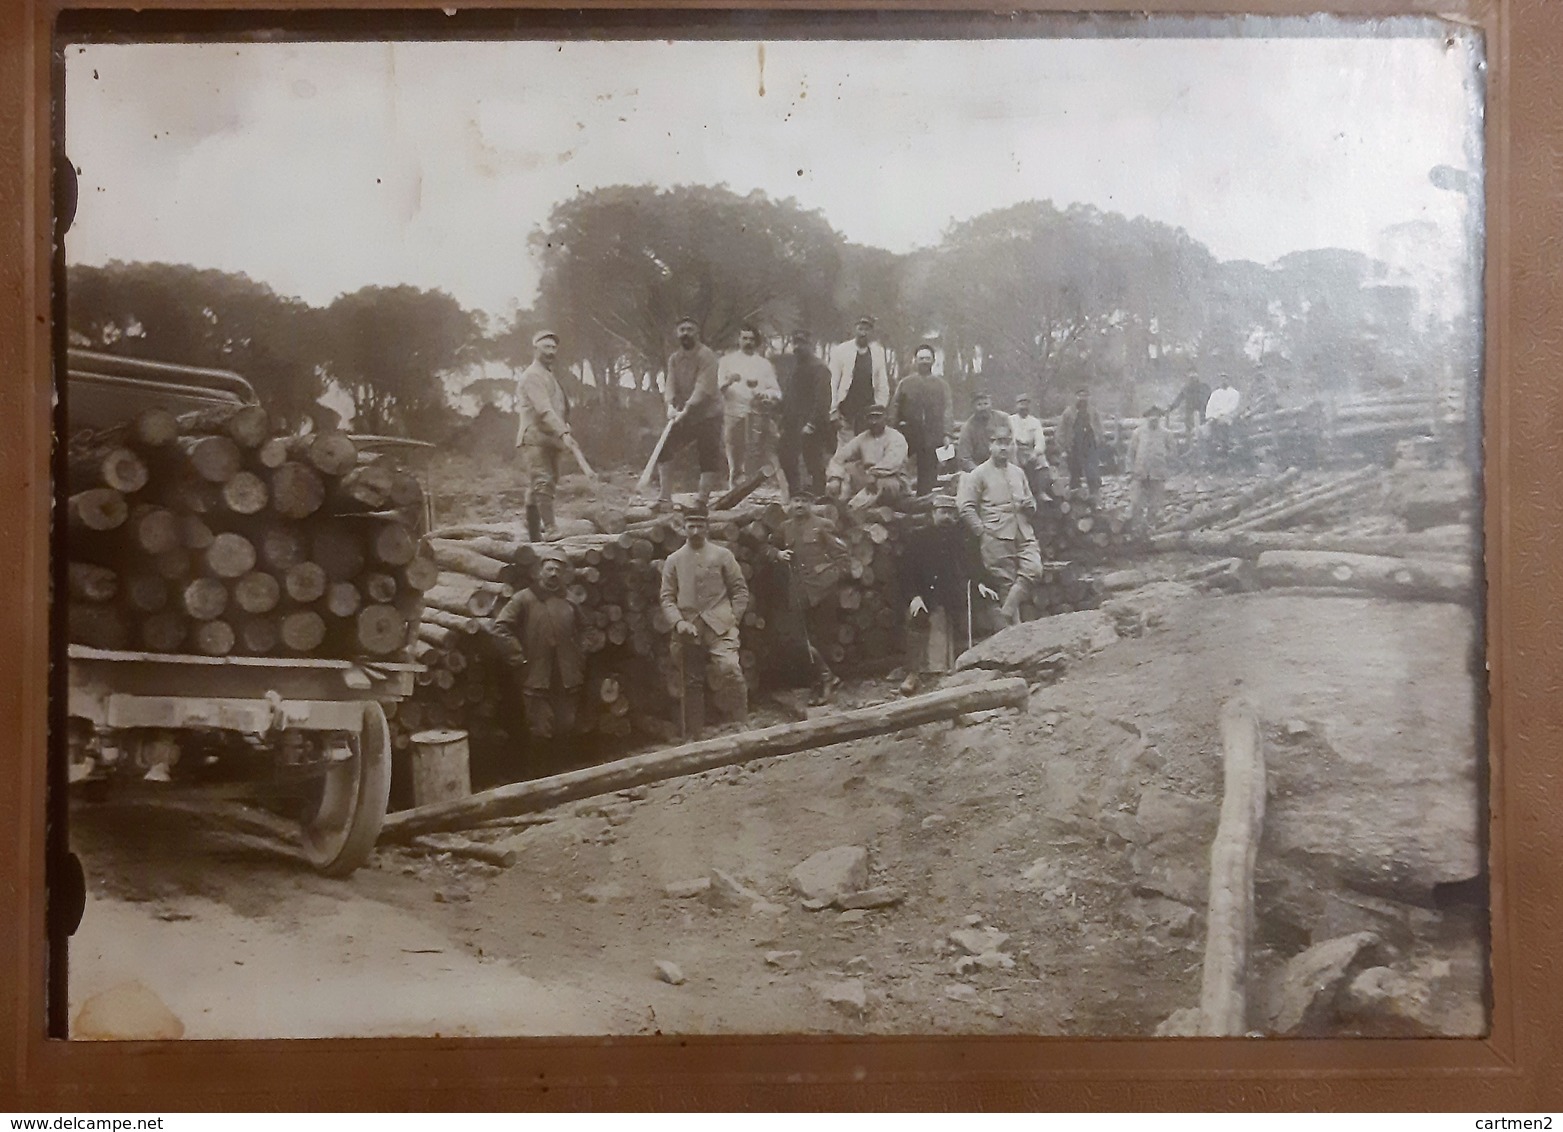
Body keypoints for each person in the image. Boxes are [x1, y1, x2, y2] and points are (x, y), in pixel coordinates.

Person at [660, 502, 750, 739]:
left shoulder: (723, 555)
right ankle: (694, 734)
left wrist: (733, 619)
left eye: (700, 525)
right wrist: (679, 623)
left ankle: (741, 724)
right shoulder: (674, 560)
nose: (696, 531)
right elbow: (667, 597)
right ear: (684, 528)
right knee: (691, 681)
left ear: (708, 527)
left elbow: (740, 591)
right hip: (689, 628)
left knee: (730, 668)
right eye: (691, 526)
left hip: (721, 626)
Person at [488, 546, 583, 742]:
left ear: (564, 574)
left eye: (558, 570)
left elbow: (586, 630)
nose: (554, 574)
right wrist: (518, 657)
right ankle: (542, 771)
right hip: (536, 674)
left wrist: (580, 656)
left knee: (566, 725)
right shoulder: (524, 598)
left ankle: (566, 770)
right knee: (540, 729)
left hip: (566, 676)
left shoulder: (570, 600)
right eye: (549, 569)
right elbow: (500, 628)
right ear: (540, 571)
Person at [957, 421, 1045, 626]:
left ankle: (1005, 614)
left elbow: (1031, 501)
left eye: (1007, 443)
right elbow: (965, 507)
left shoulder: (1018, 472)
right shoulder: (978, 474)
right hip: (995, 535)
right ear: (990, 445)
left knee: (1034, 568)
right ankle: (1012, 638)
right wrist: (982, 532)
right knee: (1005, 583)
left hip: (1023, 531)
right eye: (999, 443)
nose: (1004, 447)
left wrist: (1029, 505)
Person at [896, 492, 982, 696]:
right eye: (943, 512)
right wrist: (914, 596)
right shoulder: (918, 537)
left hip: (951, 595)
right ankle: (913, 673)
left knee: (963, 621)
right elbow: (906, 571)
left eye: (951, 514)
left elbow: (972, 566)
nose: (947, 518)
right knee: (918, 618)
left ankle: (953, 671)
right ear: (933, 513)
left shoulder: (959, 539)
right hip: (925, 595)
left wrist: (978, 584)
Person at [774, 493, 848, 704]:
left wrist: (828, 578)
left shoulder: (823, 525)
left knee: (821, 638)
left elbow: (842, 557)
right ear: (790, 504)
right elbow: (767, 547)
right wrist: (778, 555)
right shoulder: (784, 528)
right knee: (798, 639)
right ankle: (826, 677)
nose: (799, 505)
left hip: (823, 592)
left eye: (804, 501)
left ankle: (823, 684)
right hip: (798, 591)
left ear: (811, 504)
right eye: (796, 501)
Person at [656, 316, 724, 508]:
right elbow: (670, 384)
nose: (685, 333)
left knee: (708, 455)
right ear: (677, 334)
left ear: (697, 333)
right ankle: (664, 498)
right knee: (665, 448)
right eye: (682, 330)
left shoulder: (706, 355)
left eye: (690, 330)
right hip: (684, 413)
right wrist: (669, 404)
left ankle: (702, 499)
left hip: (708, 414)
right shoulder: (674, 359)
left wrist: (686, 408)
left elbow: (704, 387)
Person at [514, 330, 573, 541]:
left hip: (551, 439)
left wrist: (565, 426)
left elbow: (559, 407)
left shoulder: (550, 376)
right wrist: (563, 432)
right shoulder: (532, 376)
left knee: (539, 487)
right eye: (546, 347)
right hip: (534, 438)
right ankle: (551, 529)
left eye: (553, 348)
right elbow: (544, 409)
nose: (551, 352)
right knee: (543, 483)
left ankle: (533, 537)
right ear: (535, 349)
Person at [718, 324, 787, 500]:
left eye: (751, 339)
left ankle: (754, 493)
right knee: (734, 454)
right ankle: (733, 495)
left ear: (756, 341)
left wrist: (766, 395)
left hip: (758, 414)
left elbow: (776, 391)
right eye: (744, 338)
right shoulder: (727, 361)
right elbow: (717, 389)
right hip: (734, 413)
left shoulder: (764, 364)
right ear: (738, 339)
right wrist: (728, 381)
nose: (748, 342)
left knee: (757, 454)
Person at [774, 328, 833, 493]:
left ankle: (819, 496)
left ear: (811, 344)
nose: (798, 347)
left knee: (813, 463)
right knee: (786, 458)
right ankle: (795, 494)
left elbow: (823, 400)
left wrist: (812, 424)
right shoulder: (795, 367)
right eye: (795, 343)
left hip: (811, 425)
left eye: (802, 343)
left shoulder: (820, 368)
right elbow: (789, 397)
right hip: (792, 423)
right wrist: (777, 409)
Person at [888, 343, 952, 494]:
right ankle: (901, 497)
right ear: (915, 361)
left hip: (932, 435)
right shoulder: (905, 383)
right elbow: (894, 407)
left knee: (929, 472)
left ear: (933, 360)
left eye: (927, 358)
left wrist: (947, 434)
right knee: (900, 467)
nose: (924, 361)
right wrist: (892, 431)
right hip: (907, 434)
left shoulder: (942, 385)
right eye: (921, 358)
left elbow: (948, 410)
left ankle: (924, 502)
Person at [826, 403, 911, 509]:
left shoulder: (896, 438)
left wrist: (873, 474)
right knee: (846, 470)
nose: (874, 422)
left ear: (886, 418)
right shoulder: (863, 438)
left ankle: (853, 507)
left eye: (878, 417)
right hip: (868, 477)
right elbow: (839, 458)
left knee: (881, 483)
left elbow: (892, 463)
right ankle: (841, 503)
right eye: (870, 418)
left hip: (893, 479)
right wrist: (835, 477)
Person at [828, 315, 892, 447]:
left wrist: (880, 408)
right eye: (860, 329)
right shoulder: (841, 350)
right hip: (846, 410)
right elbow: (832, 383)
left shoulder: (877, 352)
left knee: (868, 450)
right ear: (854, 329)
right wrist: (833, 411)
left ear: (871, 332)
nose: (863, 333)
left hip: (868, 412)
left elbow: (882, 385)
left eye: (867, 330)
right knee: (846, 450)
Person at [1126, 407, 1176, 533]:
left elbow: (1173, 453)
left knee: (1155, 504)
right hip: (1139, 473)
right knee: (1136, 502)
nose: (1153, 419)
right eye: (1151, 417)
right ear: (1146, 418)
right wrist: (1129, 471)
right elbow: (1130, 453)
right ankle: (1135, 528)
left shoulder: (1167, 434)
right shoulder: (1138, 433)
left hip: (1157, 473)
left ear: (1160, 418)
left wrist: (1163, 461)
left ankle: (1151, 529)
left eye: (1156, 417)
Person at [1059, 385, 1105, 496]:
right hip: (1074, 445)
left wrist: (1099, 440)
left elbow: (1099, 428)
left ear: (1089, 397)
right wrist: (1064, 447)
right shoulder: (1068, 412)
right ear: (1076, 397)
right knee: (1074, 474)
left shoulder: (1093, 412)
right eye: (1080, 395)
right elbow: (1061, 430)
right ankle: (1076, 499)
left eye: (1085, 396)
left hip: (1090, 445)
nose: (1083, 398)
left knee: (1092, 473)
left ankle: (1095, 499)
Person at [1008, 391, 1051, 503]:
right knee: (1014, 464)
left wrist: (1036, 453)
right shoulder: (1010, 420)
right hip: (1015, 448)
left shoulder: (1035, 422)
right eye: (1021, 404)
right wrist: (1014, 452)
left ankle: (1040, 491)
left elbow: (1040, 441)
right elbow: (1010, 438)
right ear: (1016, 406)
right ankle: (1019, 494)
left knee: (1042, 462)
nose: (1023, 407)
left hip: (1030, 449)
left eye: (1026, 404)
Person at [955, 390, 1000, 473]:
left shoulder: (1002, 419)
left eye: (986, 404)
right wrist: (980, 473)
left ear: (991, 405)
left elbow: (1010, 445)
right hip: (978, 468)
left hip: (1001, 466)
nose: (983, 408)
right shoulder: (967, 428)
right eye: (979, 405)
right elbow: (964, 457)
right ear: (973, 407)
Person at [1204, 375, 1242, 461]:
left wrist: (1220, 414)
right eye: (1221, 379)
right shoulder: (1215, 394)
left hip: (1228, 416)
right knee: (1204, 430)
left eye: (1225, 379)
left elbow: (1232, 407)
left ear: (1229, 381)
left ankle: (1225, 445)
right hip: (1215, 417)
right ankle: (1209, 452)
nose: (1223, 381)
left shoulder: (1234, 393)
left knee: (1223, 423)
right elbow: (1210, 406)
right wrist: (1210, 416)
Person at [1168, 370, 1211, 436]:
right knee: (1188, 419)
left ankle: (1202, 433)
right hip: (1190, 408)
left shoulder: (1203, 387)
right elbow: (1178, 399)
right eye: (1191, 378)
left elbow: (1210, 397)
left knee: (1203, 419)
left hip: (1202, 407)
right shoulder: (1186, 388)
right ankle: (1189, 433)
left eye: (1194, 378)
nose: (1193, 380)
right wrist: (1171, 407)